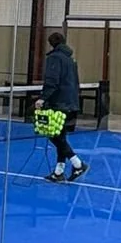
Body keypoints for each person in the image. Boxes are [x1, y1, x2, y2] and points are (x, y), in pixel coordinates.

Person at [38, 28, 85, 183]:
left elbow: (52, 81)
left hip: (59, 103)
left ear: (51, 44)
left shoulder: (54, 58)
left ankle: (77, 164)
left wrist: (42, 99)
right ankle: (58, 172)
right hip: (71, 103)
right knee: (60, 135)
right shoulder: (71, 60)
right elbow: (76, 82)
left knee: (55, 136)